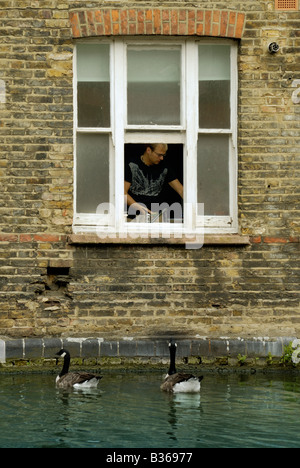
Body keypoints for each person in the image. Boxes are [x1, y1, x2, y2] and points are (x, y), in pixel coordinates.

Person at [124, 144, 183, 220]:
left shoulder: (164, 166)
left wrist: (194, 210)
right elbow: (122, 193)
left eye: (163, 155)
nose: (161, 158)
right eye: (159, 155)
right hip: (132, 217)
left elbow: (181, 190)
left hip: (155, 217)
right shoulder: (131, 164)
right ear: (148, 150)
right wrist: (139, 208)